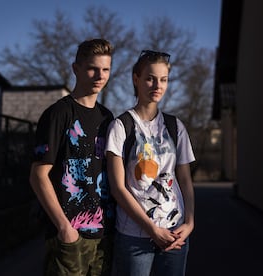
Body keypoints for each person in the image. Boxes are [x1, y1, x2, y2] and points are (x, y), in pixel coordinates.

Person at [105, 50, 196, 276]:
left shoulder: (176, 127)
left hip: (175, 235)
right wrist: (152, 230)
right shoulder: (121, 126)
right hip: (135, 239)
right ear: (136, 79)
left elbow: (184, 180)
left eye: (163, 79)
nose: (157, 85)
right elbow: (117, 188)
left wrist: (190, 222)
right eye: (150, 78)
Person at [29, 38, 115, 276]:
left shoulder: (107, 118)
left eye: (105, 69)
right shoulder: (58, 114)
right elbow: (38, 175)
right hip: (69, 236)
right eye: (92, 68)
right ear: (75, 68)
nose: (99, 75)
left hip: (104, 236)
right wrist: (64, 227)